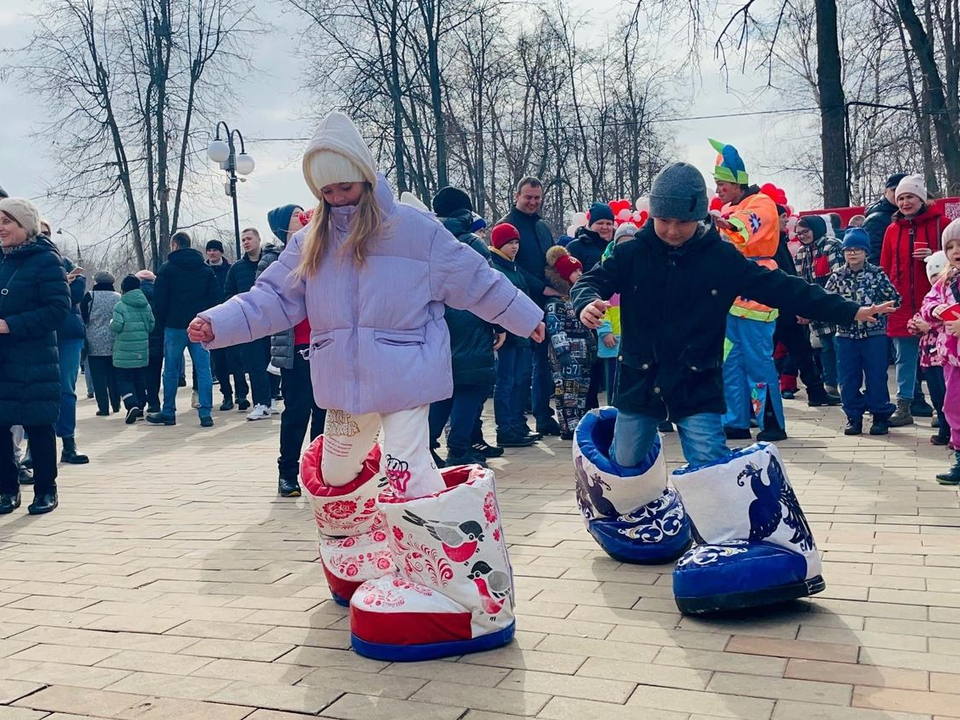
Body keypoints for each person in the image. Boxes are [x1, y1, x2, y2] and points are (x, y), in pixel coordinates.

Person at [190, 112, 543, 660]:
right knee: (334, 472)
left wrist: (525, 315)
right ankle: (362, 553)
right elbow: (273, 298)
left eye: (345, 185)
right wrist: (220, 322)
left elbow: (476, 278)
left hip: (405, 377)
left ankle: (430, 578)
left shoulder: (415, 228)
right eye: (326, 189)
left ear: (365, 173)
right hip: (342, 386)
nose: (338, 196)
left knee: (407, 472)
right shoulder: (310, 239)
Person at [571, 162, 894, 614]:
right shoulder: (631, 252)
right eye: (663, 220)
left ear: (701, 216)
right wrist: (587, 303)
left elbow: (784, 289)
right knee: (626, 464)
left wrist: (851, 311)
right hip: (640, 380)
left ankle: (724, 546)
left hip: (696, 380)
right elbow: (591, 281)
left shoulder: (719, 258)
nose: (672, 230)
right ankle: (633, 530)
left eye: (682, 222)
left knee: (712, 467)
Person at [709, 139, 786, 442]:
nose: (717, 190)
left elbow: (743, 228)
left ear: (736, 181)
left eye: (721, 184)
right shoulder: (730, 207)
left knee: (757, 361)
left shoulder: (761, 203)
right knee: (731, 361)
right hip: (730, 291)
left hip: (756, 286)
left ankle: (769, 418)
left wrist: (724, 223)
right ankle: (736, 420)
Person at [0, 197, 70, 515]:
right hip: (3, 359)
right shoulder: (2, 261)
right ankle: (6, 489)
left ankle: (45, 489)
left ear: (24, 225)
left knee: (38, 424)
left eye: (7, 221)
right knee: (1, 426)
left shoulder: (45, 260)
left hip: (34, 358)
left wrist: (11, 325)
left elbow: (58, 310)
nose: (1, 228)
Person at [431, 186, 513, 457]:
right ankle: (459, 449)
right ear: (466, 211)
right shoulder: (472, 243)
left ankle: (425, 447)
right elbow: (488, 286)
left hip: (438, 323)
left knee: (443, 389)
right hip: (472, 322)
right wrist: (499, 324)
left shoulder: (429, 239)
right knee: (471, 386)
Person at [259, 204, 323, 497]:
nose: (304, 216)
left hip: (326, 343)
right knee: (297, 410)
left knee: (325, 411)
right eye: (297, 215)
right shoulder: (275, 259)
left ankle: (319, 472)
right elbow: (268, 298)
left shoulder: (323, 248)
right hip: (295, 344)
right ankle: (287, 472)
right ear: (284, 226)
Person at [880, 174, 944, 427]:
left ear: (921, 198)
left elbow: (955, 256)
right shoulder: (892, 229)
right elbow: (885, 266)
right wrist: (887, 299)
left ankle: (943, 407)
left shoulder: (942, 223)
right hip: (902, 304)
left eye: (910, 197)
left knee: (940, 357)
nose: (905, 202)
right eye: (901, 198)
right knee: (904, 358)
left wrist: (935, 255)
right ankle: (904, 405)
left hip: (936, 304)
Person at [824, 229, 901, 436]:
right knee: (848, 378)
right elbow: (826, 303)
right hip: (846, 336)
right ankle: (853, 417)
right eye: (848, 249)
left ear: (866, 252)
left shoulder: (877, 274)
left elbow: (894, 299)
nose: (853, 254)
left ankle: (879, 415)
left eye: (858, 249)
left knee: (876, 376)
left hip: (874, 335)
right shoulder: (837, 276)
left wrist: (880, 310)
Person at [500, 177, 561, 437]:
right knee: (521, 367)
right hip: (522, 303)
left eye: (537, 198)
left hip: (547, 303)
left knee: (545, 360)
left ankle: (543, 416)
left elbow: (549, 261)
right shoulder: (507, 225)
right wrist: (541, 287)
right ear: (517, 196)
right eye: (528, 197)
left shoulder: (542, 227)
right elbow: (510, 265)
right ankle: (515, 420)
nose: (533, 202)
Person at [148, 231, 220, 427]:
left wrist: (163, 322)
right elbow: (215, 298)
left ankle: (169, 412)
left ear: (175, 245)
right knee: (203, 369)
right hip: (199, 325)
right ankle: (205, 414)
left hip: (174, 325)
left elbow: (159, 299)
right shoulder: (205, 270)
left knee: (170, 369)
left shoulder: (167, 269)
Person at [772, 207, 839, 407]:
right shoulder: (769, 242)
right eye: (782, 218)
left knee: (802, 350)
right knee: (774, 353)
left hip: (790, 305)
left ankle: (816, 391)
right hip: (774, 306)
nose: (787, 222)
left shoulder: (780, 240)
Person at [41, 232, 89, 464]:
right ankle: (36, 449)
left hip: (68, 334)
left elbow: (78, 293)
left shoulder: (64, 261)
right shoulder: (19, 263)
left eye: (47, 233)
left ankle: (69, 443)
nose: (42, 236)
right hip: (38, 333)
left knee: (66, 390)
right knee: (37, 392)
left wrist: (60, 285)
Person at [489, 223, 537, 448]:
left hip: (523, 334)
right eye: (510, 243)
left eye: (517, 242)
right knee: (506, 382)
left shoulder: (515, 268)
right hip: (507, 335)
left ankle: (518, 423)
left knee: (521, 380)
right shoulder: (496, 267)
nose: (515, 247)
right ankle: (505, 427)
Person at [920, 224, 960, 484]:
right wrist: (933, 311)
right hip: (953, 359)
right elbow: (928, 302)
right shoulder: (947, 280)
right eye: (950, 247)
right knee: (953, 405)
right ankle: (959, 457)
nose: (956, 251)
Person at [544, 245, 595, 441]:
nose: (580, 274)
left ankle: (579, 424)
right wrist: (563, 352)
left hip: (583, 354)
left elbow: (587, 326)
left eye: (580, 270)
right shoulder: (555, 303)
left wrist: (591, 346)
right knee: (566, 391)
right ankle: (568, 426)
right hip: (565, 357)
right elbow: (555, 327)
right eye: (575, 271)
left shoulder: (580, 300)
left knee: (582, 390)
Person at [224, 228, 274, 421]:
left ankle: (271, 398)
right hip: (249, 323)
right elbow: (228, 293)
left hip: (272, 320)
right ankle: (261, 403)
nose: (246, 242)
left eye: (249, 238)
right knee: (254, 363)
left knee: (273, 361)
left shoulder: (270, 263)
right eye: (243, 239)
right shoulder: (237, 269)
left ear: (258, 239)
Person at [793, 215, 845, 395]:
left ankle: (845, 384)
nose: (802, 236)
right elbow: (800, 283)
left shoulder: (832, 245)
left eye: (805, 232)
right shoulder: (800, 253)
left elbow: (838, 278)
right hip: (815, 308)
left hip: (833, 304)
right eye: (798, 233)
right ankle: (830, 384)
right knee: (825, 347)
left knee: (839, 345)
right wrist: (802, 308)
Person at [910, 251, 951, 446]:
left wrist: (931, 325)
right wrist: (917, 326)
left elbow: (949, 322)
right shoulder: (930, 300)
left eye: (939, 276)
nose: (936, 281)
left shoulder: (950, 299)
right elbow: (915, 321)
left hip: (945, 359)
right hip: (928, 360)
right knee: (936, 396)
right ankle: (944, 428)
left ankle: (951, 430)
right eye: (932, 277)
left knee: (949, 397)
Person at [597, 222, 638, 403]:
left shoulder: (642, 269)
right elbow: (600, 305)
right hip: (613, 338)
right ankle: (612, 413)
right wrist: (604, 330)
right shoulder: (607, 270)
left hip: (635, 339)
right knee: (613, 380)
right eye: (623, 243)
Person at [110, 274, 155, 424]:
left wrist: (111, 323)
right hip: (141, 350)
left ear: (123, 289)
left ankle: (131, 404)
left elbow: (117, 325)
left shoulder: (120, 306)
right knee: (139, 379)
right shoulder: (146, 305)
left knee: (124, 379)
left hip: (123, 350)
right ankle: (141, 408)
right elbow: (151, 326)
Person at [205, 239, 241, 411]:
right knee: (219, 361)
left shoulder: (230, 269)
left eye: (214, 250)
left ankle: (241, 394)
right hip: (211, 321)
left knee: (236, 358)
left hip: (231, 318)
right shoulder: (203, 271)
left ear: (221, 252)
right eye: (209, 250)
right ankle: (227, 395)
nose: (212, 253)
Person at [81, 271, 121, 416]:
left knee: (98, 377)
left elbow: (84, 317)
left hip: (94, 342)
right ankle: (116, 404)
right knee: (113, 375)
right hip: (114, 340)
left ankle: (103, 408)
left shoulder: (90, 296)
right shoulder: (118, 297)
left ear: (96, 282)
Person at [135, 270, 163, 413]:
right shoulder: (160, 294)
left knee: (140, 373)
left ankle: (139, 403)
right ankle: (154, 402)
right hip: (157, 340)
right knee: (155, 372)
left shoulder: (132, 296)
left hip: (137, 341)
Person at [865, 172, 908, 265]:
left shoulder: (910, 215)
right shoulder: (876, 220)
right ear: (885, 192)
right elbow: (872, 256)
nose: (899, 194)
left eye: (906, 192)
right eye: (895, 190)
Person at [567, 202, 615, 272]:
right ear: (590, 224)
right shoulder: (575, 247)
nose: (605, 227)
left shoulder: (616, 247)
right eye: (600, 223)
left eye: (609, 224)